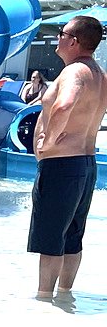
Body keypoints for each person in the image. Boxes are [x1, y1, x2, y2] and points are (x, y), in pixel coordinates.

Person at [29, 15, 107, 297]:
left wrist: (46, 143)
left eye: (61, 33)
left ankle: (42, 300)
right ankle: (65, 296)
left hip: (62, 164)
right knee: (72, 237)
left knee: (51, 239)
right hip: (85, 164)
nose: (58, 38)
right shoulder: (98, 74)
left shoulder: (74, 72)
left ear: (73, 41)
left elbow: (65, 105)